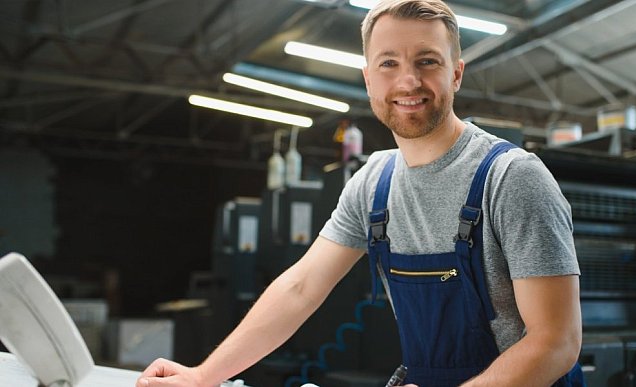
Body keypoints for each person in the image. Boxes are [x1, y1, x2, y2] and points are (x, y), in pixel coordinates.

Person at [136, 0, 582, 386]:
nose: (408, 81)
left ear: (457, 74)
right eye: (389, 63)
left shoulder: (512, 178)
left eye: (427, 61)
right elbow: (300, 288)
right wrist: (203, 376)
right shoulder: (374, 183)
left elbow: (557, 341)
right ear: (369, 79)